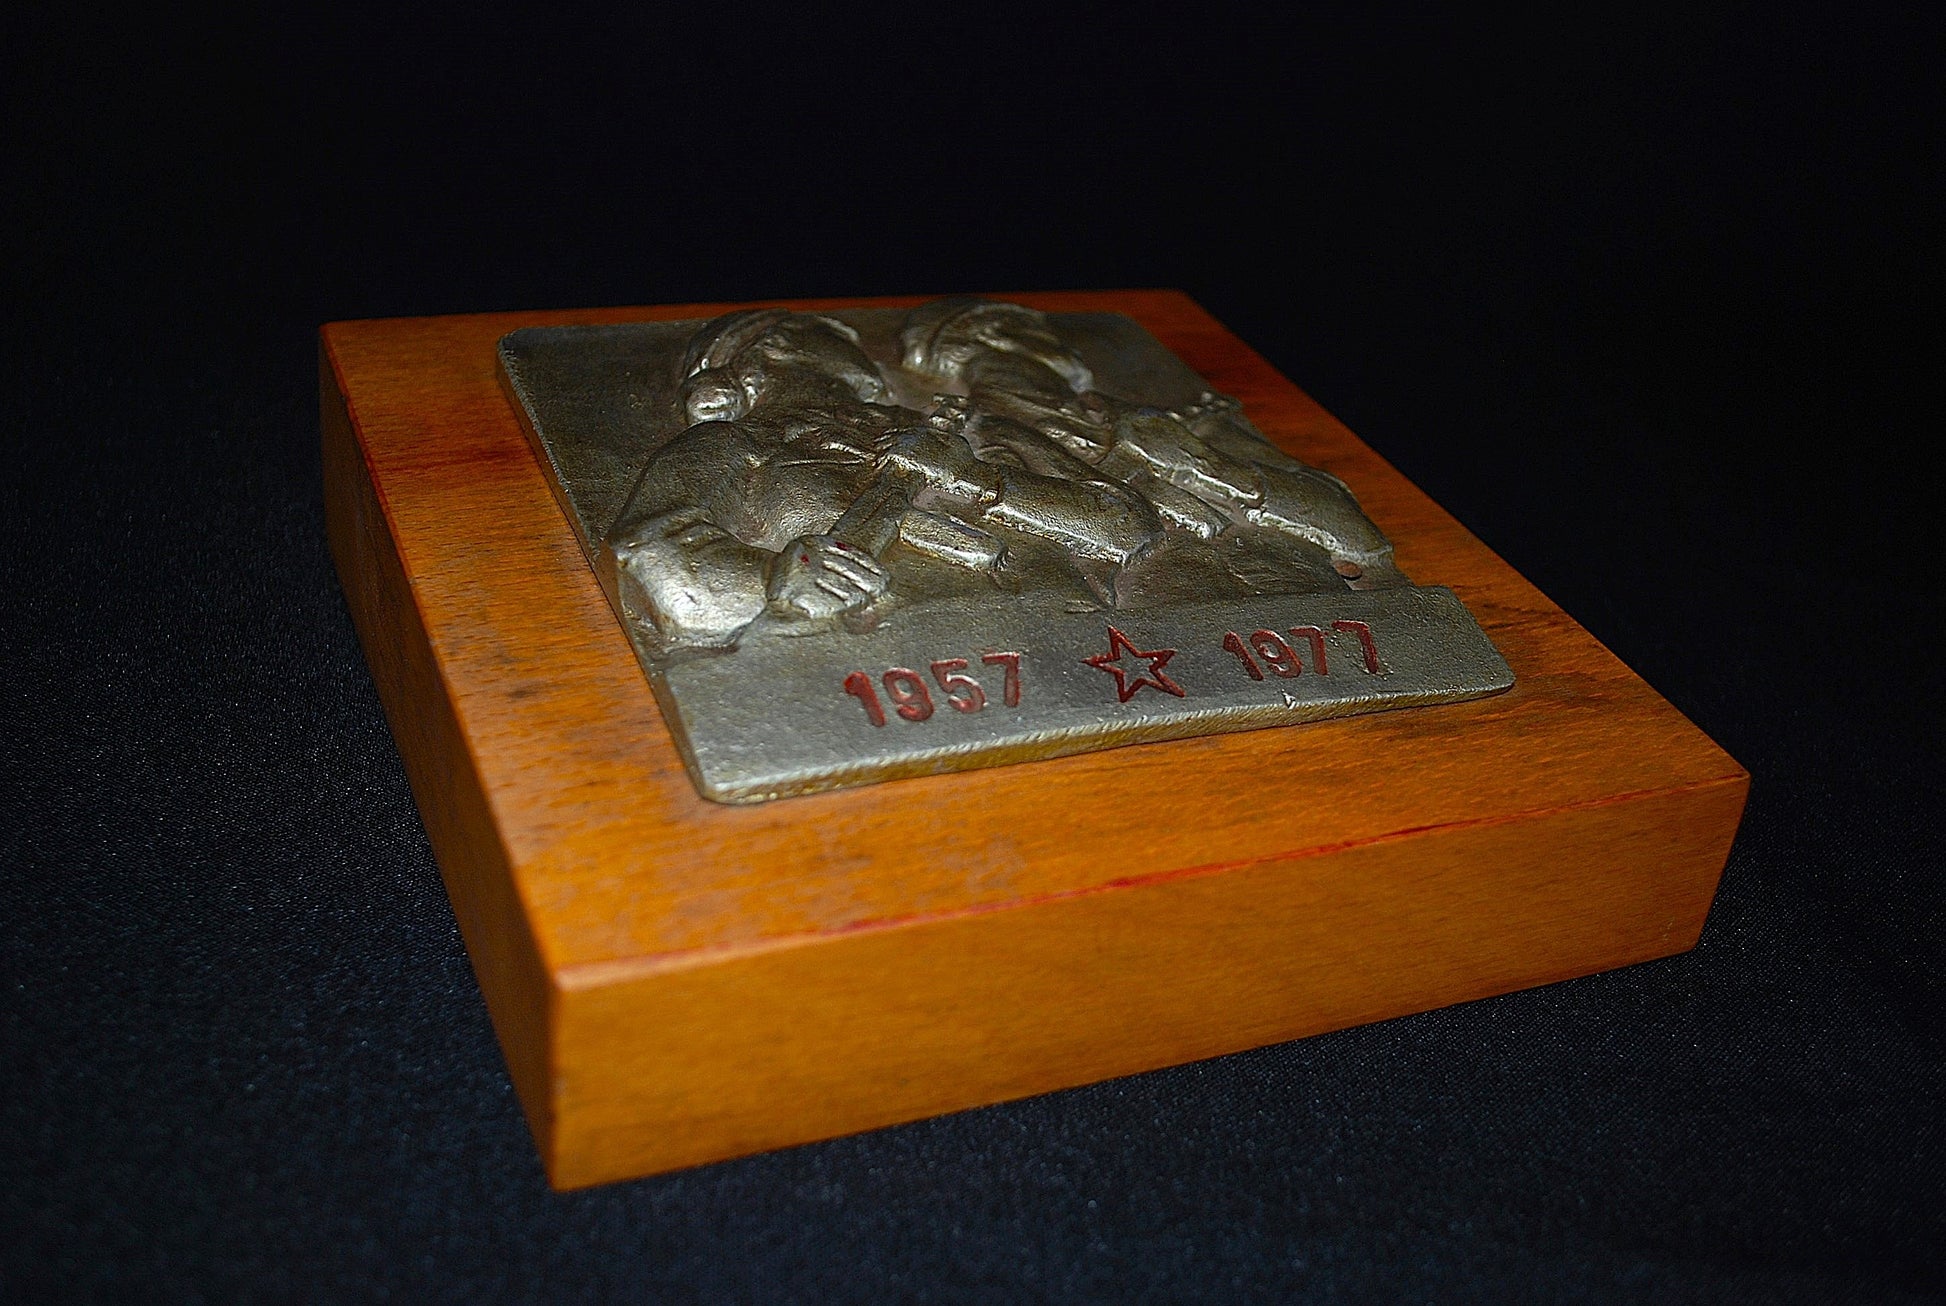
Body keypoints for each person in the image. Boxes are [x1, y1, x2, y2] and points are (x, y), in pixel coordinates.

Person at [604, 308, 1165, 655]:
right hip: (882, 676)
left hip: (1073, 651)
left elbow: (1128, 527)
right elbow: (652, 549)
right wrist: (772, 575)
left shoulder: (961, 426)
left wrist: (971, 477)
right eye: (829, 333)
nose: (857, 342)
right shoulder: (733, 445)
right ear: (774, 349)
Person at [898, 298, 1405, 596]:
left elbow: (1359, 537)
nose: (1069, 348)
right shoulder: (983, 435)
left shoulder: (1139, 415)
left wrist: (1215, 469)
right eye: (1035, 330)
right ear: (989, 334)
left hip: (1309, 608)